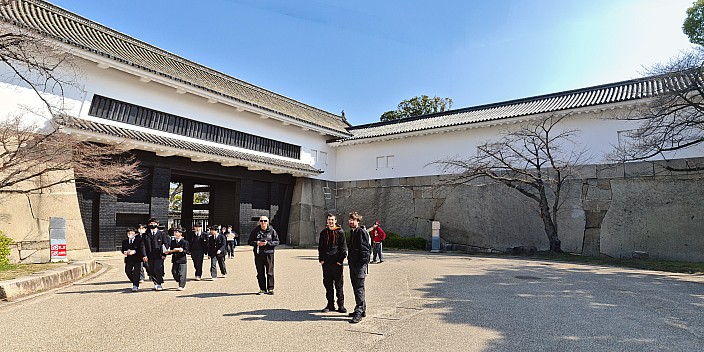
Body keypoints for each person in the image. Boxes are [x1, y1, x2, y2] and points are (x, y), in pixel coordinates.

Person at [318, 213, 347, 313]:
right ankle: (330, 304)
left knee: (339, 285)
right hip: (326, 263)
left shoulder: (340, 232)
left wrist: (340, 260)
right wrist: (321, 259)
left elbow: (343, 248)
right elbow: (320, 247)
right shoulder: (323, 232)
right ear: (327, 221)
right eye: (329, 220)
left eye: (332, 220)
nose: (330, 221)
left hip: (336, 263)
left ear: (335, 221)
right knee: (328, 284)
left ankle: (341, 305)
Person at [347, 211, 371, 324]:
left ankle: (359, 311)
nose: (351, 221)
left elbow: (366, 249)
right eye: (350, 219)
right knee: (356, 287)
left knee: (359, 287)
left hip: (359, 265)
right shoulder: (353, 232)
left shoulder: (361, 232)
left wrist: (363, 263)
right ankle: (362, 309)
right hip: (353, 264)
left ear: (358, 221)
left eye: (353, 220)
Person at [248, 215, 279, 295]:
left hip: (269, 254)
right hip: (258, 255)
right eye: (261, 221)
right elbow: (249, 241)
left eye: (265, 221)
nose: (263, 223)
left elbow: (277, 241)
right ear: (259, 222)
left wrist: (267, 243)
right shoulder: (255, 231)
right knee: (260, 272)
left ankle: (270, 288)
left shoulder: (272, 231)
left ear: (267, 222)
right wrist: (256, 243)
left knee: (270, 272)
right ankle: (262, 289)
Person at [142, 218, 171, 291]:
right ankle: (155, 283)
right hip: (149, 255)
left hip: (159, 255)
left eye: (154, 223)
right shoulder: (145, 235)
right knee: (151, 269)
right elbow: (143, 246)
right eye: (151, 224)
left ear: (157, 224)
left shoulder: (162, 234)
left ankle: (159, 283)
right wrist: (144, 255)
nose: (152, 225)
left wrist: (164, 254)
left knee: (157, 268)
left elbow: (165, 244)